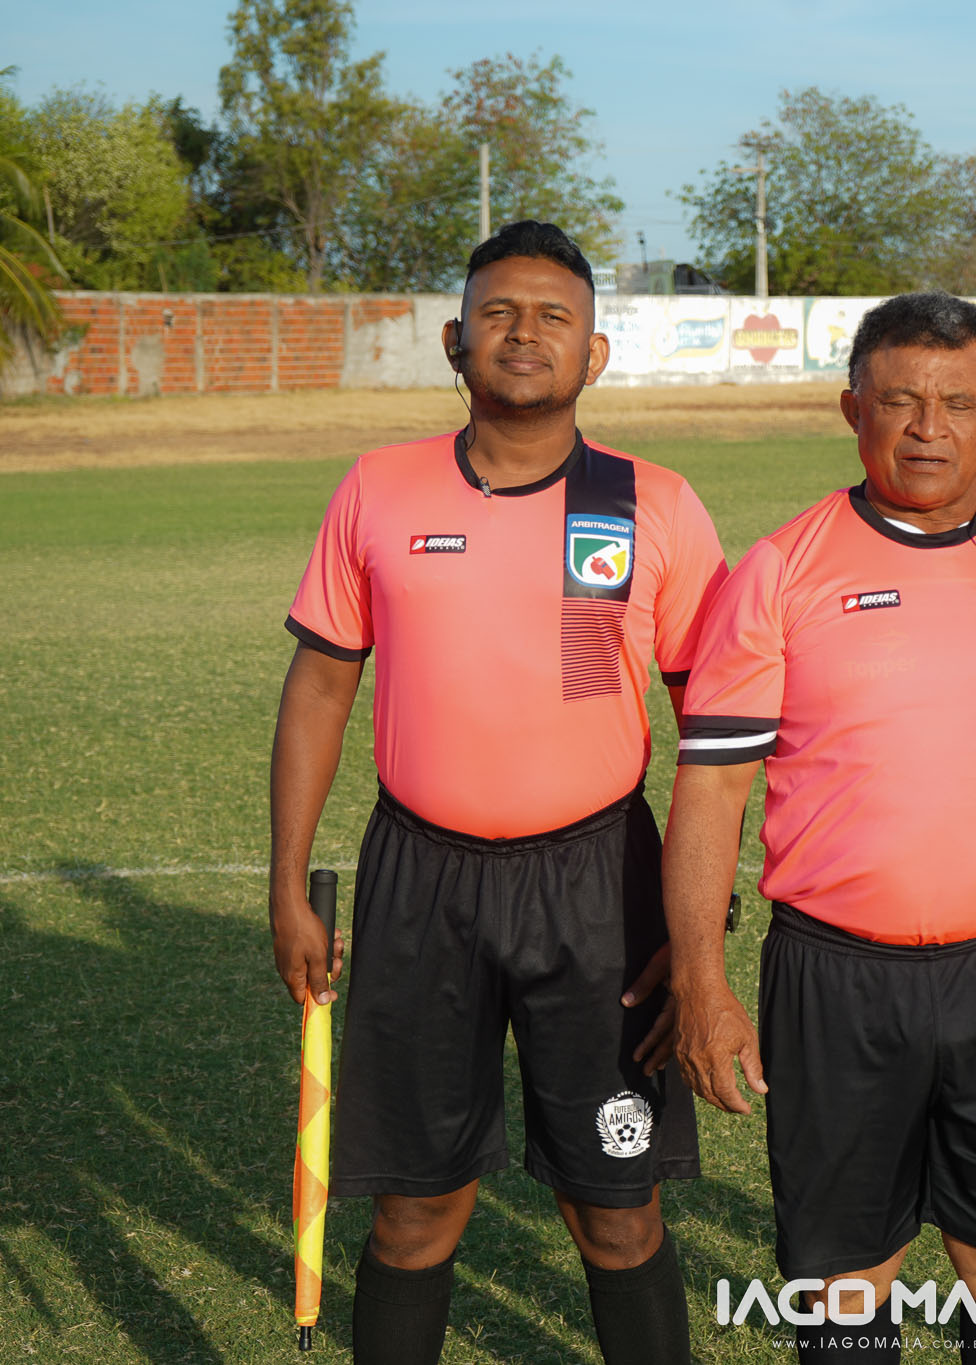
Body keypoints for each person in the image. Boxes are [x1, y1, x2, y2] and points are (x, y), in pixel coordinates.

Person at [661, 292, 976, 1365]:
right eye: (898, 400)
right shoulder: (781, 570)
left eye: (959, 403)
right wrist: (701, 985)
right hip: (836, 976)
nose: (927, 428)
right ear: (852, 409)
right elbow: (711, 792)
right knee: (843, 1280)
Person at [267, 220, 728, 1365]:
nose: (525, 334)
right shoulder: (377, 488)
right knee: (414, 1211)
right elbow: (319, 687)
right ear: (453, 339)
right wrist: (285, 884)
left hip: (600, 886)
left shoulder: (656, 503)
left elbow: (712, 735)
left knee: (617, 1214)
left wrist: (695, 922)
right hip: (420, 879)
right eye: (500, 313)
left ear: (595, 353)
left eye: (553, 316)